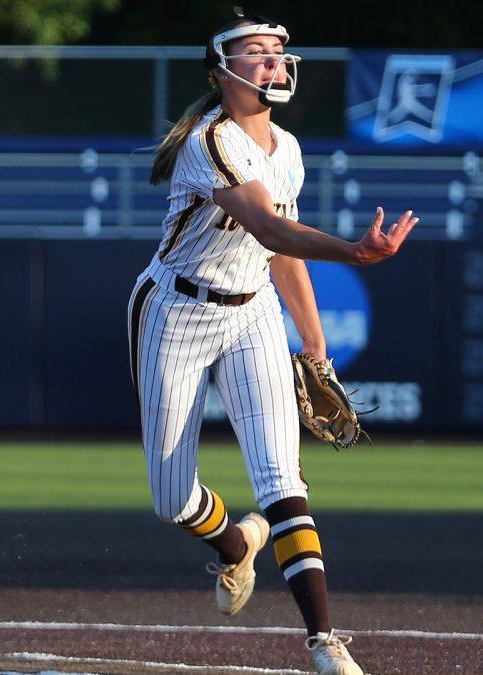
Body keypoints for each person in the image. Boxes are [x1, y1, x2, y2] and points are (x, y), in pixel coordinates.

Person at [132, 9, 417, 675]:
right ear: (223, 70)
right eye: (256, 52)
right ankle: (236, 544)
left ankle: (324, 640)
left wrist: (316, 352)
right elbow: (273, 229)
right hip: (175, 309)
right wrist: (354, 251)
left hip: (252, 308)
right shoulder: (213, 141)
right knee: (171, 497)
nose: (272, 61)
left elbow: (282, 259)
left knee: (283, 478)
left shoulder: (286, 148)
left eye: (276, 51)